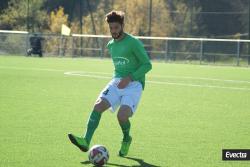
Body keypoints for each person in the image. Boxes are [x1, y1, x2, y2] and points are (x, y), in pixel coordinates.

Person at [68, 10, 152, 157]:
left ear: (122, 26)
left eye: (116, 28)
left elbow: (147, 65)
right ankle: (86, 141)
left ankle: (126, 138)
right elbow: (118, 67)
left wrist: (130, 78)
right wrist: (119, 80)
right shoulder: (110, 45)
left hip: (134, 84)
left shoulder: (133, 43)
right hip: (117, 81)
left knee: (122, 116)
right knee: (98, 106)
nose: (114, 31)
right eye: (111, 28)